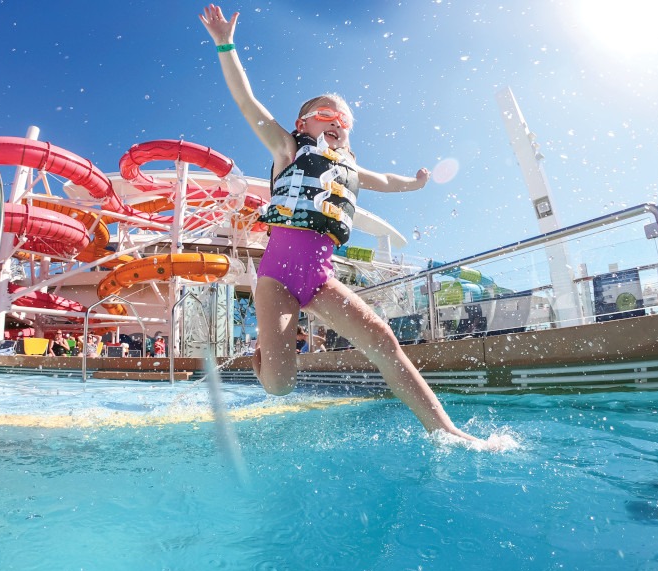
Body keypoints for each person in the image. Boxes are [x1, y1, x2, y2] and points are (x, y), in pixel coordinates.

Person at [200, 5, 503, 448]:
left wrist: (417, 184)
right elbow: (247, 101)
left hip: (320, 279)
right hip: (277, 279)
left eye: (345, 121)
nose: (338, 122)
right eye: (328, 114)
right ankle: (261, 358)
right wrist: (225, 44)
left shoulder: (352, 170)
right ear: (304, 123)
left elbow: (388, 182)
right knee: (281, 385)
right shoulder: (286, 147)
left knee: (383, 341)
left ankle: (447, 429)